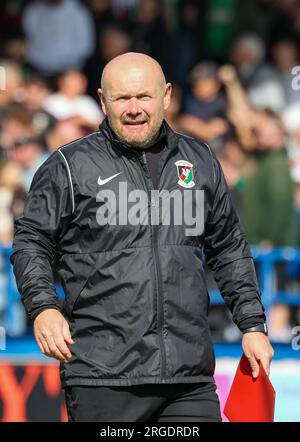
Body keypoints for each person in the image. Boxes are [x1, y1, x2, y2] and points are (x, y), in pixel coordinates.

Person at [10, 52, 274, 422]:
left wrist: (251, 325)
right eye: (122, 98)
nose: (134, 109)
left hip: (189, 378)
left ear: (166, 96)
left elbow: (229, 248)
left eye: (144, 97)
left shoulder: (200, 160)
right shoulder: (69, 166)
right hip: (102, 377)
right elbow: (31, 242)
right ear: (103, 101)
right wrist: (43, 307)